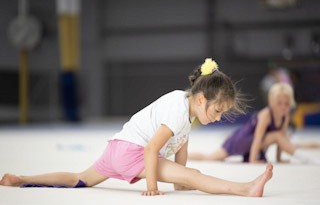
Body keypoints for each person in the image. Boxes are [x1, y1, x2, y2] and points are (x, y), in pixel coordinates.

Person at [0, 58, 273, 197]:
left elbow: (180, 151)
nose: (217, 118)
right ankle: (244, 189)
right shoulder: (179, 111)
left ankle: (20, 178)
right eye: (217, 111)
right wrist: (153, 186)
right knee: (196, 174)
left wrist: (179, 182)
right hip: (134, 152)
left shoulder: (185, 109)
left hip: (117, 148)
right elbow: (153, 148)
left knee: (78, 178)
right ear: (201, 99)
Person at [188, 82, 320, 164]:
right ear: (271, 102)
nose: (283, 107)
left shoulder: (285, 116)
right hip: (242, 140)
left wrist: (279, 159)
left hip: (250, 142)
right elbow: (258, 136)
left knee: (211, 157)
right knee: (210, 157)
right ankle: (307, 158)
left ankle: (187, 156)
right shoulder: (266, 114)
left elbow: (282, 140)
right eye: (279, 103)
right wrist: (253, 158)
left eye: (286, 104)